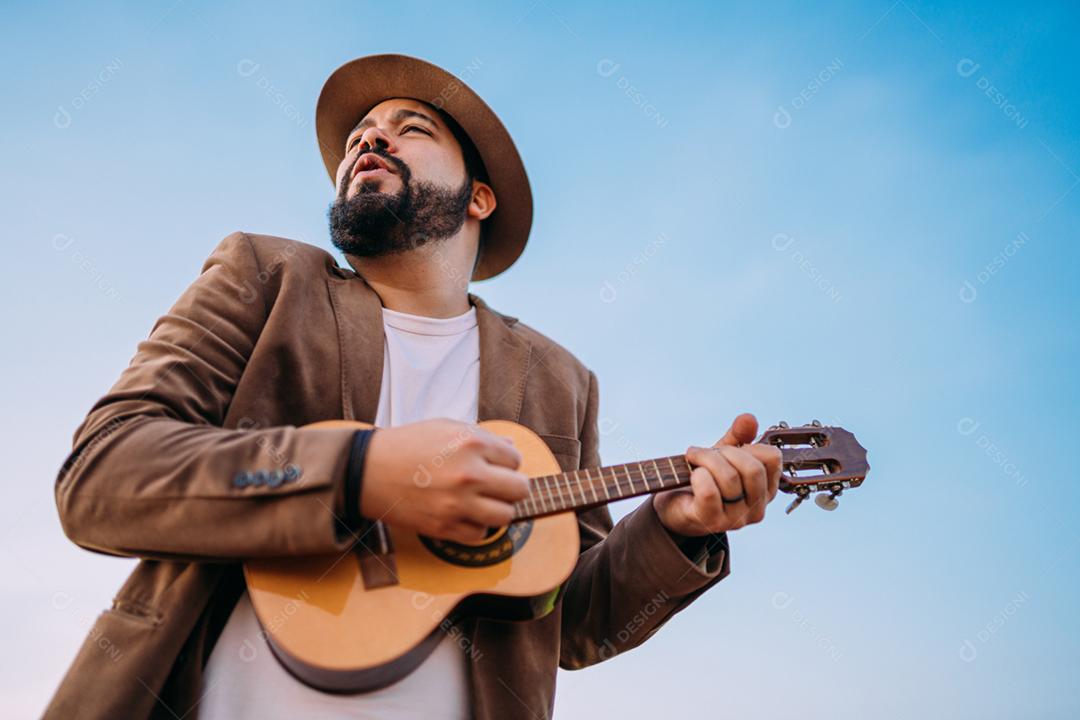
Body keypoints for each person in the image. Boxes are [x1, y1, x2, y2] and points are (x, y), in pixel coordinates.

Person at [46, 54, 781, 719]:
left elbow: (573, 618)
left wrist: (675, 529)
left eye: (410, 128)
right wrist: (356, 473)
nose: (368, 141)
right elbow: (104, 474)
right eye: (359, 136)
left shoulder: (560, 381)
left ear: (478, 199)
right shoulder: (265, 279)